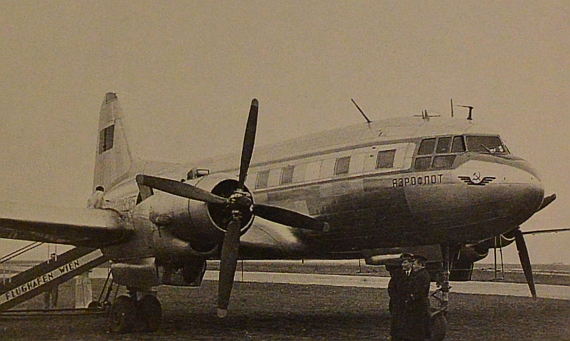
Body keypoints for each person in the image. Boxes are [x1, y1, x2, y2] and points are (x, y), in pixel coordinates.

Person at [400, 254, 431, 341]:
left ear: (421, 265)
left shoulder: (422, 275)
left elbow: (419, 291)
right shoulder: (418, 274)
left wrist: (411, 297)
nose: (413, 266)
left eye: (415, 264)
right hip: (418, 303)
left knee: (417, 327)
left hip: (418, 304)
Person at [388, 253, 413, 341]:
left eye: (405, 263)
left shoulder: (415, 274)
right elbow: (391, 287)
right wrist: (395, 299)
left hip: (410, 303)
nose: (403, 265)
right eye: (402, 263)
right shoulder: (397, 273)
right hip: (398, 302)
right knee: (396, 322)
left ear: (411, 263)